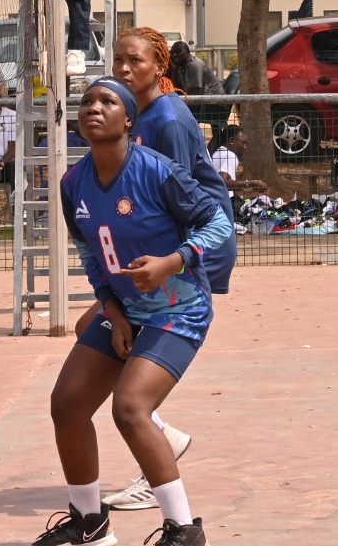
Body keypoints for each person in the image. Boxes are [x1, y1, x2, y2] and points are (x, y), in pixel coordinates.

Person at [37, 77, 229, 546]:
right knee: (67, 404)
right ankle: (89, 523)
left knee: (130, 407)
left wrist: (173, 261)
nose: (93, 108)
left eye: (107, 101)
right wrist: (110, 306)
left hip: (177, 309)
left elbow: (220, 221)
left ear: (129, 119)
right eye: (86, 102)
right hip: (124, 308)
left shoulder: (157, 171)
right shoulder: (72, 183)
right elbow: (88, 252)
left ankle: (183, 530)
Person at [97, 26, 238, 514]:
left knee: (134, 379)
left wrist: (167, 265)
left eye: (134, 60)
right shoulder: (135, 112)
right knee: (102, 340)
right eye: (117, 60)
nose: (123, 69)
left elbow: (175, 201)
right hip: (159, 249)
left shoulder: (168, 118)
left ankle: (156, 476)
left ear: (160, 66)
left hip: (192, 246)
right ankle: (161, 435)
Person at [167, 42, 227, 143]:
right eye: (172, 53)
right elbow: (176, 88)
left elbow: (194, 95)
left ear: (188, 52)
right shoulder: (182, 66)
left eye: (179, 52)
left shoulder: (194, 65)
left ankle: (184, 140)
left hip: (215, 104)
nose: (175, 55)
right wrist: (174, 69)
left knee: (174, 110)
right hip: (203, 102)